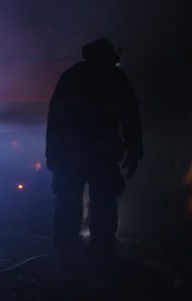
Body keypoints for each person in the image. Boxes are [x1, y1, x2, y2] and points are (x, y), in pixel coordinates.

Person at [46, 38, 143, 265]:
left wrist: (53, 154)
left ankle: (68, 247)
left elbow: (55, 119)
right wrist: (134, 149)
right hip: (101, 154)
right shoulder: (116, 78)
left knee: (72, 199)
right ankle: (101, 247)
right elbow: (130, 116)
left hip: (73, 155)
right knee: (104, 200)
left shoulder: (70, 77)